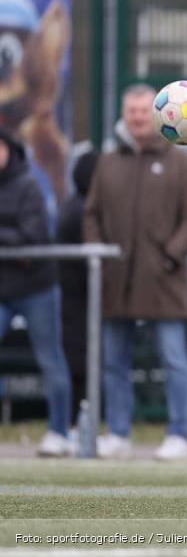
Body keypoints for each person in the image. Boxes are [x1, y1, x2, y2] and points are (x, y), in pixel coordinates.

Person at [83, 84, 187, 461]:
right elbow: (91, 213)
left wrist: (170, 256)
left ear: (158, 114)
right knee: (114, 361)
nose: (138, 116)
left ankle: (178, 434)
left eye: (143, 110)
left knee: (173, 359)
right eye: (131, 110)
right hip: (115, 280)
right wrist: (99, 255)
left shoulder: (181, 161)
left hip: (163, 281)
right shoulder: (108, 161)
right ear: (124, 114)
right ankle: (118, 433)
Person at [0, 127, 72, 457]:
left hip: (35, 287)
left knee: (50, 359)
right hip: (3, 287)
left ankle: (59, 432)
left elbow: (35, 237)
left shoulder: (29, 183)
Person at [56, 145, 100, 436]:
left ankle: (74, 424)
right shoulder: (80, 211)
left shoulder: (74, 205)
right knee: (79, 362)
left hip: (75, 298)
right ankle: (73, 425)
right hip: (78, 299)